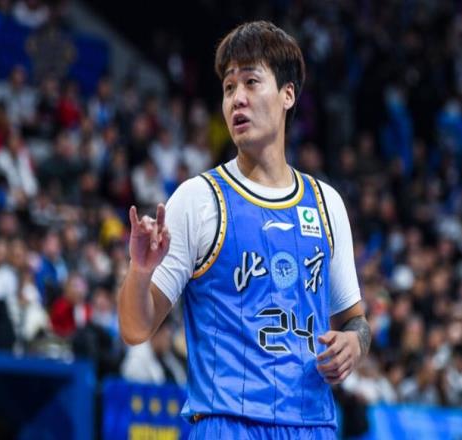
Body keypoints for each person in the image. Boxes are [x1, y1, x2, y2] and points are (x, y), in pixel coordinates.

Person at [118, 20, 371, 439]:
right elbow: (135, 329)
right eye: (229, 87)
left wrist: (355, 344)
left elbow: (355, 320)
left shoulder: (327, 203)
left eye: (252, 82)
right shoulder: (197, 199)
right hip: (227, 424)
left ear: (288, 94)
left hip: (313, 425)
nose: (237, 98)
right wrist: (140, 271)